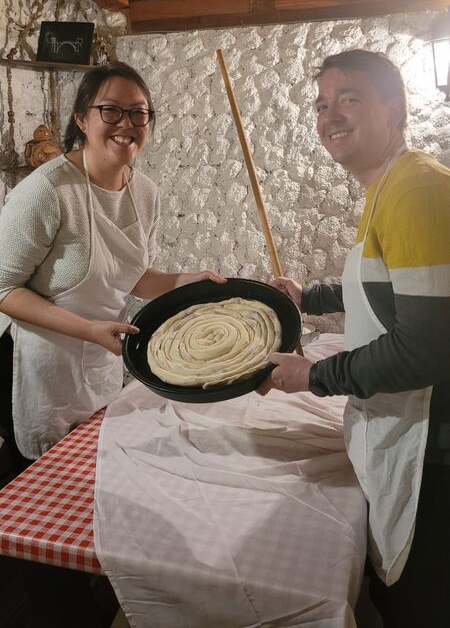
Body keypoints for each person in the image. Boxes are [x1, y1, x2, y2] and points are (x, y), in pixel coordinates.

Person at [258, 50, 450, 628]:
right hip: (403, 421)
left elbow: (428, 347)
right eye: (321, 104)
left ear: (394, 110)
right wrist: (308, 298)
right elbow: (380, 285)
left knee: (423, 603)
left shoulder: (417, 190)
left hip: (433, 438)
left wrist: (312, 375)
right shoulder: (387, 187)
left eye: (349, 99)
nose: (329, 115)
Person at [0, 61, 225, 474]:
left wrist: (183, 281)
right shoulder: (47, 191)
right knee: (36, 485)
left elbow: (130, 274)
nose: (127, 123)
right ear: (82, 119)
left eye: (139, 112)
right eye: (111, 111)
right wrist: (87, 330)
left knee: (91, 471)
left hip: (103, 355)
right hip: (39, 368)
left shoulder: (145, 192)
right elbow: (3, 288)